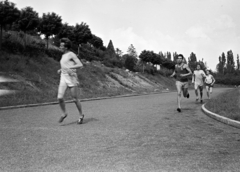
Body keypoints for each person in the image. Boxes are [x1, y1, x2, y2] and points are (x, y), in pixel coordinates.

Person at [57, 38, 84, 124]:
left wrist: (70, 68)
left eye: (61, 46)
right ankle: (64, 113)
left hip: (71, 77)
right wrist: (61, 69)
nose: (60, 47)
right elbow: (65, 65)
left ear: (66, 47)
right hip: (63, 77)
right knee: (60, 97)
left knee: (75, 99)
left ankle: (81, 115)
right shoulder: (63, 55)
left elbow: (80, 65)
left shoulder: (71, 54)